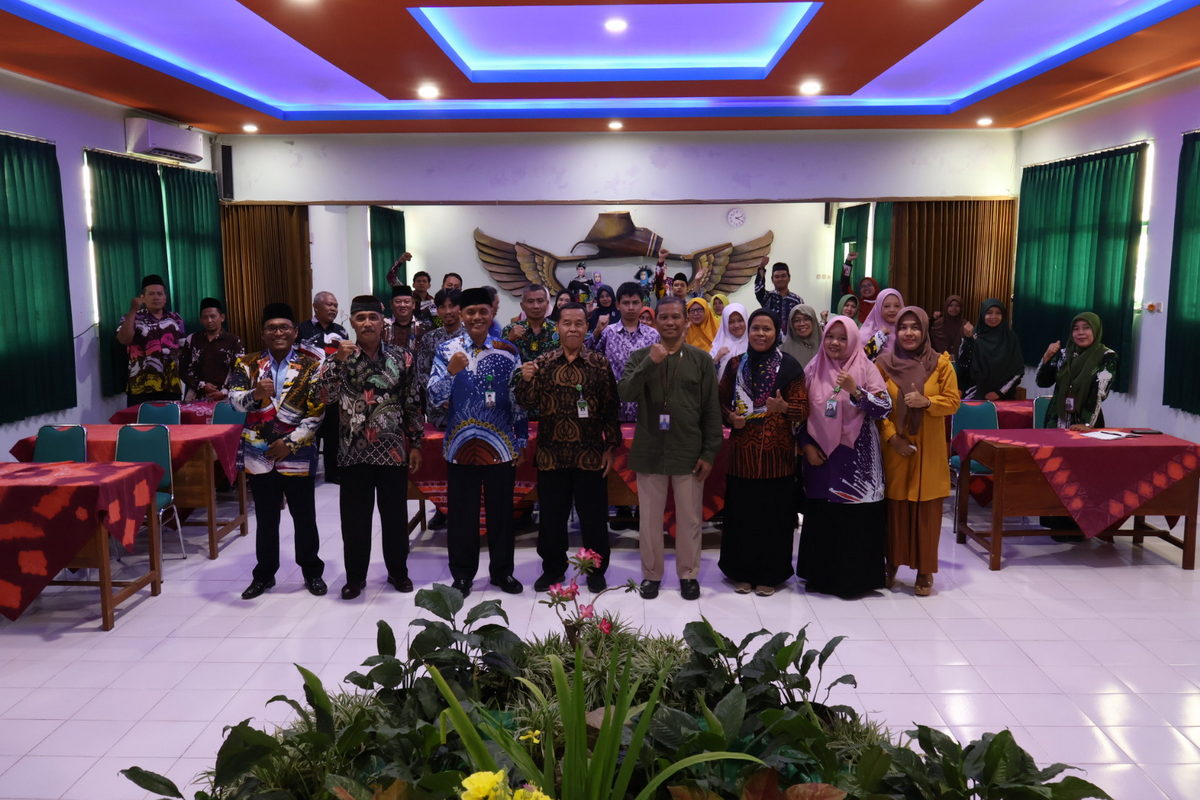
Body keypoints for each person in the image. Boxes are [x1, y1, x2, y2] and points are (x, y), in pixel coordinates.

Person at [319, 296, 425, 599]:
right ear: (352, 322)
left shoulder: (402, 357)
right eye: (361, 317)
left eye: (373, 317)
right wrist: (336, 362)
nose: (367, 323)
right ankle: (355, 578)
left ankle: (398, 572)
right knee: (355, 521)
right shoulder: (339, 357)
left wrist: (416, 442)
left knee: (395, 518)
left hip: (392, 450)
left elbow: (412, 402)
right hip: (353, 452)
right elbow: (324, 397)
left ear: (383, 322)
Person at [617, 296, 722, 601]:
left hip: (688, 449)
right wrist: (650, 363)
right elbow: (625, 393)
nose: (671, 322)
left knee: (689, 518)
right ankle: (652, 575)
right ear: (655, 321)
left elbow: (711, 410)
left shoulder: (700, 360)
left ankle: (688, 574)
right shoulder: (641, 356)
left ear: (686, 321)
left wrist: (709, 453)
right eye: (664, 317)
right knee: (649, 519)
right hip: (650, 449)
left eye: (676, 316)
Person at [428, 287, 528, 597]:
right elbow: (433, 399)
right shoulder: (446, 350)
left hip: (501, 446)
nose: (476, 317)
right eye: (470, 312)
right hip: (460, 446)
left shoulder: (508, 350)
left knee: (502, 515)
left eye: (482, 311)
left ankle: (502, 573)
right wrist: (450, 372)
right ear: (461, 315)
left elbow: (518, 399)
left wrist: (522, 440)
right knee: (461, 516)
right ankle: (462, 575)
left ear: (491, 313)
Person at [515, 303, 621, 593]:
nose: (572, 328)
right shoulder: (544, 362)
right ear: (558, 327)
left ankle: (595, 571)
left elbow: (611, 409)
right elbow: (526, 402)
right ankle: (553, 569)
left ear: (586, 327)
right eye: (567, 323)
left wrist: (610, 447)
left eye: (578, 323)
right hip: (552, 455)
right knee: (552, 519)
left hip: (590, 454)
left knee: (594, 518)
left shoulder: (599, 364)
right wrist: (525, 380)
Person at [227, 303, 327, 600]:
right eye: (272, 328)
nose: (278, 332)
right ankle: (264, 574)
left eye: (284, 327)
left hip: (297, 452)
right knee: (266, 518)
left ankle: (312, 571)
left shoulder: (312, 365)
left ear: (295, 332)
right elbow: (234, 402)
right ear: (263, 333)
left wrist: (290, 443)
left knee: (304, 516)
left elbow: (317, 412)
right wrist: (255, 394)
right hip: (260, 454)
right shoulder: (246, 363)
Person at [795, 315, 891, 598]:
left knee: (854, 520)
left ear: (853, 340)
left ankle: (854, 581)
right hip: (820, 458)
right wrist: (806, 445)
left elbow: (885, 408)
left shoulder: (866, 367)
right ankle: (820, 577)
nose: (835, 343)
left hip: (856, 460)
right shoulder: (813, 368)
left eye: (842, 338)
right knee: (823, 517)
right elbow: (800, 414)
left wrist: (856, 391)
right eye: (830, 337)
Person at [718, 309, 808, 596]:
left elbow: (804, 410)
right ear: (749, 331)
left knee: (774, 519)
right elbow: (719, 403)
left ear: (776, 332)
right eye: (755, 328)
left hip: (777, 458)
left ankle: (771, 575)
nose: (760, 334)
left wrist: (785, 408)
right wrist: (730, 418)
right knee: (742, 517)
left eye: (766, 329)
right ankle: (741, 572)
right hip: (742, 458)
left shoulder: (790, 366)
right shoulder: (735, 365)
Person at [876, 307, 961, 597]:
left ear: (924, 331)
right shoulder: (883, 364)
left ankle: (925, 570)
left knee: (926, 511)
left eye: (915, 327)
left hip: (929, 451)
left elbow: (953, 401)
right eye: (903, 327)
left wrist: (928, 402)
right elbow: (876, 408)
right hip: (896, 450)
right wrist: (891, 438)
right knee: (895, 510)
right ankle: (891, 563)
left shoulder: (941, 364)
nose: (908, 333)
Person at [415, 288, 463, 531]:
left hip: (467, 412)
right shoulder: (430, 339)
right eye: (442, 307)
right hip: (440, 413)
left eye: (452, 306)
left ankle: (465, 508)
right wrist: (440, 396)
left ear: (460, 309)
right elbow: (422, 373)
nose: (447, 311)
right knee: (440, 463)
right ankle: (441, 509)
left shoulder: (471, 336)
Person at [1036, 312, 1118, 430]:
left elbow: (1099, 393)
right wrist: (1046, 357)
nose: (1080, 333)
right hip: (1056, 419)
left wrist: (1087, 424)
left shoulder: (1106, 356)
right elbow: (1042, 382)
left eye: (1086, 328)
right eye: (1076, 329)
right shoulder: (1064, 354)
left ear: (1096, 330)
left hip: (1086, 421)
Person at [116, 273, 186, 406]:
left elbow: (183, 349)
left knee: (171, 419)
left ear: (165, 298)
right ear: (142, 298)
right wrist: (133, 310)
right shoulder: (131, 318)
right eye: (151, 294)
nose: (156, 297)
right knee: (141, 420)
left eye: (160, 294)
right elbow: (124, 340)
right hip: (141, 385)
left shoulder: (176, 319)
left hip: (171, 385)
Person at [178, 297, 243, 401]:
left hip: (225, 398)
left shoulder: (233, 341)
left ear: (222, 317)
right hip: (196, 397)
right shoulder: (192, 339)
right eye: (205, 317)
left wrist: (225, 391)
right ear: (200, 319)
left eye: (213, 316)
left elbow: (240, 370)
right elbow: (183, 369)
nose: (209, 320)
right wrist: (201, 385)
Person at [959, 299, 1024, 401]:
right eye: (989, 312)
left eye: (998, 313)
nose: (993, 316)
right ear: (982, 314)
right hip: (974, 393)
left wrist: (999, 393)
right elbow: (963, 364)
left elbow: (1018, 371)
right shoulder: (973, 335)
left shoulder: (1010, 338)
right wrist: (967, 339)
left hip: (1002, 396)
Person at [503, 283, 559, 363]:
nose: (536, 306)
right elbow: (498, 358)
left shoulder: (558, 330)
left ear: (547, 304)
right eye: (530, 301)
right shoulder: (509, 329)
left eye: (540, 301)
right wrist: (509, 340)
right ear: (522, 306)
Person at [860, 288, 904, 361]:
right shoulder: (866, 333)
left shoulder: (907, 331)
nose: (892, 310)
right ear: (878, 308)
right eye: (886, 306)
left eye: (896, 306)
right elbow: (862, 359)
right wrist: (879, 337)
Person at [709, 302, 748, 375]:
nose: (736, 325)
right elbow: (708, 374)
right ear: (725, 324)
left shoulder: (754, 344)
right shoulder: (718, 346)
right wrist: (717, 358)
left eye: (740, 320)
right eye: (731, 322)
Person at [386, 285, 426, 350]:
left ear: (413, 304)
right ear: (391, 304)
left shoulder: (424, 327)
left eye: (407, 302)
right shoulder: (382, 326)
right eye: (398, 301)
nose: (402, 305)